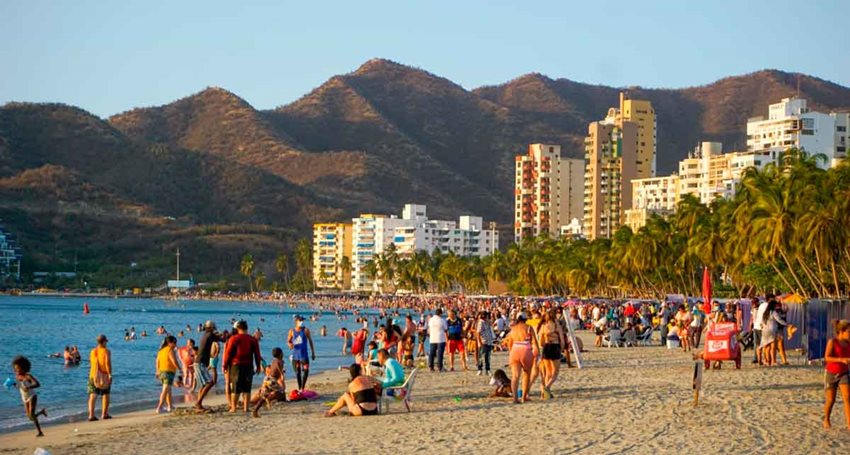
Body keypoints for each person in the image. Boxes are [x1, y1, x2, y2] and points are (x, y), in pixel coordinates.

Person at [223, 320, 262, 413]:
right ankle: (246, 408)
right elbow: (257, 354)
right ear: (246, 328)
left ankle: (234, 408)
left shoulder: (234, 339)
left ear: (238, 328)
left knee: (236, 387)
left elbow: (228, 354)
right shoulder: (253, 339)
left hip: (236, 365)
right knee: (247, 387)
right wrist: (258, 366)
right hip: (248, 365)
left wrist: (225, 365)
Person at [506, 313, 539, 404]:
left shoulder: (513, 328)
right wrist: (537, 353)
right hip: (525, 349)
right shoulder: (528, 327)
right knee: (526, 374)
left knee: (515, 376)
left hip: (515, 349)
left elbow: (509, 343)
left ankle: (515, 398)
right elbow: (534, 342)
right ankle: (524, 397)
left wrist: (511, 352)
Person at [824, 319, 850, 430]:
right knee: (831, 400)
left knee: (848, 398)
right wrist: (841, 359)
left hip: (844, 373)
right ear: (842, 331)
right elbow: (827, 357)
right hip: (831, 373)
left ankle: (849, 423)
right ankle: (826, 419)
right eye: (849, 331)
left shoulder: (848, 343)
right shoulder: (833, 342)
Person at [12, 356, 47, 437]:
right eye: (15, 368)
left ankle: (40, 432)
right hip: (24, 397)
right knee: (30, 417)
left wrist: (29, 387)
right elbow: (19, 386)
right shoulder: (17, 377)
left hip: (32, 396)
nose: (16, 370)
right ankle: (42, 412)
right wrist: (13, 384)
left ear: (24, 368)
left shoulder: (28, 376)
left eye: (18, 368)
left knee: (31, 414)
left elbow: (37, 384)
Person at [194, 320, 222, 410]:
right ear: (212, 327)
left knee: (203, 385)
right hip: (200, 363)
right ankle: (198, 403)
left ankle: (199, 403)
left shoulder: (206, 334)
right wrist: (226, 333)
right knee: (210, 382)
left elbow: (220, 338)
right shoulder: (210, 335)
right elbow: (223, 339)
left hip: (199, 362)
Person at [537, 310, 564, 400]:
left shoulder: (543, 326)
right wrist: (562, 348)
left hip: (546, 348)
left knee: (547, 372)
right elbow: (562, 340)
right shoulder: (557, 325)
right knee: (555, 372)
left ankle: (544, 394)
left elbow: (541, 342)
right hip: (555, 347)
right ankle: (547, 387)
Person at [251, 347, 286, 417]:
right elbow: (279, 367)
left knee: (264, 395)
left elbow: (275, 367)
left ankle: (255, 410)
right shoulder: (280, 361)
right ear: (280, 354)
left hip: (267, 379)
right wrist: (281, 374)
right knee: (281, 391)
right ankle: (269, 400)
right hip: (272, 380)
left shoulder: (273, 360)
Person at [87, 334, 112, 421]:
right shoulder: (106, 351)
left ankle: (91, 415)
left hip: (93, 375)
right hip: (104, 375)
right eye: (106, 341)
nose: (106, 343)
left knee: (92, 395)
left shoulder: (93, 351)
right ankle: (104, 414)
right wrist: (110, 374)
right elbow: (107, 364)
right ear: (104, 341)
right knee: (106, 394)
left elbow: (91, 363)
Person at [287, 316, 315, 391]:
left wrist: (313, 352)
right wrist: (290, 344)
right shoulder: (291, 331)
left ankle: (302, 387)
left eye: (302, 320)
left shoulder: (306, 330)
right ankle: (300, 388)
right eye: (300, 320)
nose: (302, 322)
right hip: (296, 356)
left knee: (306, 371)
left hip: (304, 355)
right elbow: (288, 341)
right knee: (298, 373)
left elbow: (310, 341)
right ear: (296, 322)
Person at [155, 335, 180, 414]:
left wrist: (157, 371)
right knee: (165, 389)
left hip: (162, 371)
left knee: (168, 389)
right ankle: (160, 407)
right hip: (168, 371)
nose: (175, 344)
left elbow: (157, 362)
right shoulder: (170, 350)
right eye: (174, 343)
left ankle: (170, 406)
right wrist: (180, 369)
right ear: (170, 343)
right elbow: (174, 361)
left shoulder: (161, 350)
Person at [759, 299, 788, 367]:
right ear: (773, 306)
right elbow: (779, 320)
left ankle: (766, 361)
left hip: (765, 330)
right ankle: (773, 361)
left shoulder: (765, 313)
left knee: (766, 346)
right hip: (772, 330)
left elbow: (762, 322)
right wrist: (787, 324)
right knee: (772, 347)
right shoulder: (773, 312)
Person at [476, 311, 496, 376]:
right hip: (483, 341)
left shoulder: (487, 322)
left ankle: (488, 369)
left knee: (488, 357)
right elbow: (478, 333)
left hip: (489, 341)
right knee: (481, 357)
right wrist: (479, 342)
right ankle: (480, 369)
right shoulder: (481, 322)